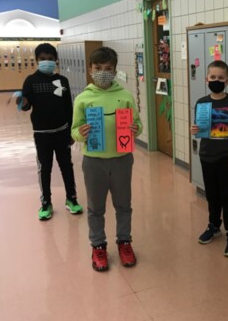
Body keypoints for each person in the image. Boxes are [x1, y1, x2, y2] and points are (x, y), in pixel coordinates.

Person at [71, 47, 142, 272]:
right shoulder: (83, 99)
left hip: (122, 159)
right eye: (98, 68)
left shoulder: (125, 96)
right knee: (95, 208)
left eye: (108, 68)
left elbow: (138, 125)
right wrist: (80, 133)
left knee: (123, 205)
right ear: (91, 70)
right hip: (94, 162)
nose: (103, 72)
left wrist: (135, 129)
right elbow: (73, 131)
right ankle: (98, 246)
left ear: (114, 70)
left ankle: (124, 242)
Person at [18, 43, 82, 221]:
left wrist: (71, 131)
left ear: (56, 60)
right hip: (42, 134)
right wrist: (21, 100)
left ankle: (71, 198)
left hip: (62, 132)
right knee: (44, 168)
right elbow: (26, 106)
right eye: (43, 59)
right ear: (37, 61)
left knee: (66, 166)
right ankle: (46, 203)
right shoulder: (30, 81)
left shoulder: (62, 81)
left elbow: (69, 107)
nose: (47, 62)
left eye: (50, 59)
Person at [190, 60, 228, 257]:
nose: (216, 80)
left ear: (227, 81)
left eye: (220, 78)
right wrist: (193, 129)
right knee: (212, 196)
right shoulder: (201, 103)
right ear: (206, 79)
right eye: (212, 77)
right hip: (207, 157)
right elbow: (198, 128)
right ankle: (214, 226)